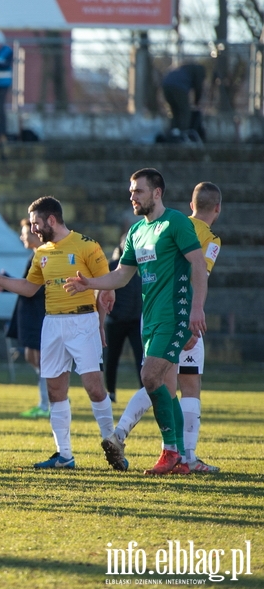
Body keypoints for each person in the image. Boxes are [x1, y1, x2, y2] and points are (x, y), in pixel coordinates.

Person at [64, 168, 208, 476]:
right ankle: (184, 457)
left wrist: (197, 308)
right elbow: (121, 274)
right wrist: (91, 284)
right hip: (150, 319)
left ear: (157, 192)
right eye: (131, 191)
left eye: (138, 191)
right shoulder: (136, 232)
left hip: (175, 313)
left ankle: (170, 451)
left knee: (150, 376)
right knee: (165, 388)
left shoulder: (176, 222)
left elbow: (197, 263)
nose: (132, 195)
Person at [0, 196, 116, 470]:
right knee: (55, 390)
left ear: (51, 219)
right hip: (52, 324)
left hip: (82, 322)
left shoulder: (87, 245)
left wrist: (100, 322)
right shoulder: (41, 253)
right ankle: (64, 455)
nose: (33, 229)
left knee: (94, 388)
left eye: (35, 223)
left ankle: (113, 442)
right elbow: (29, 287)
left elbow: (107, 285)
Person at [102, 181, 222, 474]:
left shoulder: (168, 223)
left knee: (160, 379)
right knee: (182, 382)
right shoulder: (208, 238)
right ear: (217, 209)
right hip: (182, 315)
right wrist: (193, 320)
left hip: (154, 313)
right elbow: (197, 274)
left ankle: (125, 435)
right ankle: (186, 455)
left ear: (191, 205)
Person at [0, 218, 48, 418]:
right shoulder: (33, 256)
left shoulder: (45, 256)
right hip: (28, 315)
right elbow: (27, 285)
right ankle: (49, 397)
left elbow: (35, 288)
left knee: (42, 359)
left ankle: (46, 403)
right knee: (31, 356)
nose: (22, 236)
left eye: (25, 232)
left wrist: (6, 281)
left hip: (40, 315)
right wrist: (6, 283)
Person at [103, 236, 143, 404]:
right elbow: (105, 292)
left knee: (142, 358)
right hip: (116, 322)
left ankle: (145, 392)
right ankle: (110, 392)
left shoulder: (144, 267)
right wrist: (114, 314)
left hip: (135, 321)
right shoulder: (113, 266)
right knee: (111, 358)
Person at [161, 63, 206, 140]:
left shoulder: (185, 68)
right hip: (178, 86)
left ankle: (173, 132)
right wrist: (196, 101)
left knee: (175, 111)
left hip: (166, 84)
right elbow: (198, 87)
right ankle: (183, 133)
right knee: (185, 111)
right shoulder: (199, 71)